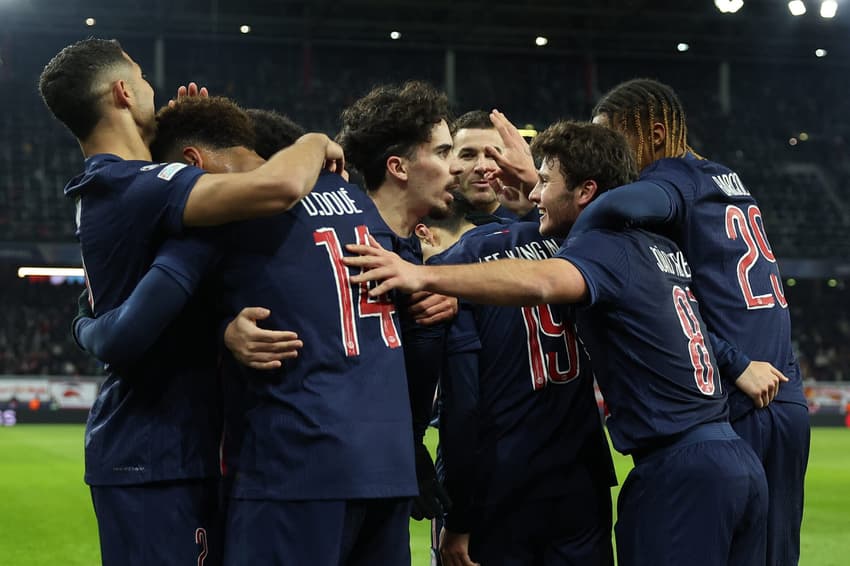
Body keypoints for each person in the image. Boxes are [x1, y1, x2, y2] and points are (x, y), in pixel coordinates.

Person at [343, 120, 769, 566]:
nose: (533, 192)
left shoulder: (496, 259)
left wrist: (425, 274)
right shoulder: (649, 244)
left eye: (544, 182)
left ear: (585, 192)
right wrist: (738, 362)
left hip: (577, 480)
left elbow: (468, 398)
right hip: (680, 462)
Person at [74, 95, 418, 565]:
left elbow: (124, 333)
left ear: (192, 163)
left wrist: (82, 322)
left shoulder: (227, 219)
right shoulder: (358, 204)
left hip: (291, 467)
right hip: (387, 466)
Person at [38, 38, 342, 566]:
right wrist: (314, 141)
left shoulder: (115, 188)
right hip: (154, 455)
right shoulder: (137, 188)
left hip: (176, 449)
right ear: (123, 92)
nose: (158, 91)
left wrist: (188, 136)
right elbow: (280, 186)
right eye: (146, 81)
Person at [573, 78, 808, 566]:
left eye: (611, 140)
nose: (605, 155)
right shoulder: (727, 179)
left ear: (655, 134)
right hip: (786, 400)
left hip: (737, 402)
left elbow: (624, 205)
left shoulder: (669, 179)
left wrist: (579, 224)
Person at [415, 193, 616, 566]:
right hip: (581, 479)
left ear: (425, 235)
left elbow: (463, 408)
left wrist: (460, 519)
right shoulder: (560, 243)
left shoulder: (453, 271)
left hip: (500, 485)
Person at [338, 80, 462, 522]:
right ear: (399, 167)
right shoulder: (341, 244)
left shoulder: (414, 254)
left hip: (391, 465)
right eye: (444, 153)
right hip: (336, 478)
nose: (457, 169)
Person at [451, 110, 537, 223]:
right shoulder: (429, 226)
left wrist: (530, 213)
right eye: (468, 155)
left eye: (492, 156)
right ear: (449, 161)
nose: (482, 167)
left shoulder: (539, 222)